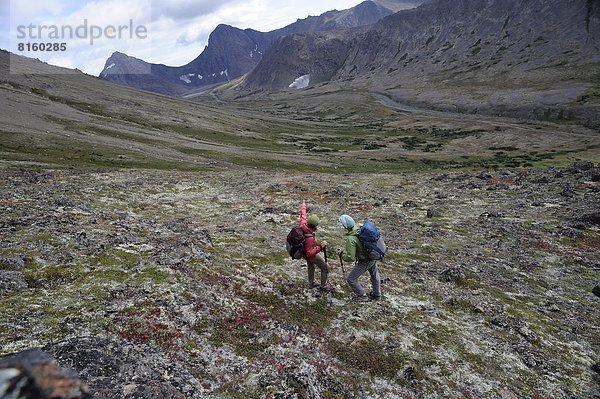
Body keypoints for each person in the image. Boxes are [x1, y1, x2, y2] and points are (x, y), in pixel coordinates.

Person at [336, 214, 381, 302]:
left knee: (351, 279)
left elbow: (351, 257)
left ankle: (362, 296)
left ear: (345, 226)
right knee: (375, 276)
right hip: (373, 255)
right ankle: (377, 295)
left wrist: (342, 255)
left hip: (365, 260)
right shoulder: (360, 227)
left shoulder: (351, 239)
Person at [298, 200, 332, 291]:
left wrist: (303, 205)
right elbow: (310, 253)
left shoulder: (303, 225)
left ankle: (311, 283)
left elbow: (303, 215)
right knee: (325, 267)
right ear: (316, 226)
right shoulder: (309, 238)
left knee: (311, 265)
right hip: (308, 253)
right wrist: (320, 247)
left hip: (303, 252)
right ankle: (323, 286)